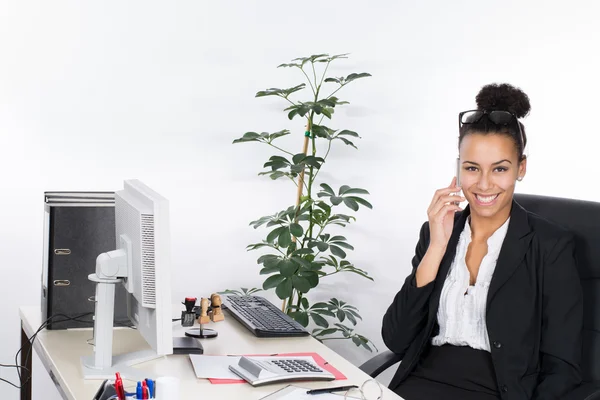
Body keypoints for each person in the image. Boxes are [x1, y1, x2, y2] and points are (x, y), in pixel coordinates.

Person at [382, 83, 583, 399]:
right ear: (458, 168)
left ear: (521, 168)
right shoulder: (437, 234)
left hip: (499, 391)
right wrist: (436, 246)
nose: (484, 184)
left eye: (500, 168)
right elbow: (395, 339)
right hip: (420, 384)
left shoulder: (551, 246)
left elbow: (563, 366)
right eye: (472, 168)